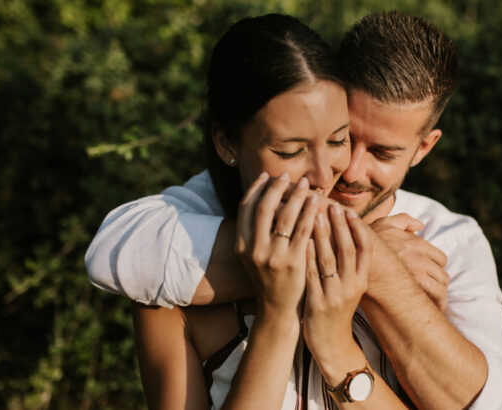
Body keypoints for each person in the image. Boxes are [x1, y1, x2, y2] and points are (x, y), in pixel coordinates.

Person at [87, 12, 502, 409]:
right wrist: (370, 256)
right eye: (344, 136)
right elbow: (114, 254)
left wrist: (364, 286)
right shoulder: (210, 204)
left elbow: (501, 404)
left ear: (423, 148)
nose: (348, 170)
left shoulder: (450, 239)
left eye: (384, 152)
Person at [121, 14, 407, 409]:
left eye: (339, 140)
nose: (325, 176)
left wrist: (338, 348)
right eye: (290, 152)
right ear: (226, 143)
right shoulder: (168, 296)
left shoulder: (409, 246)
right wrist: (277, 318)